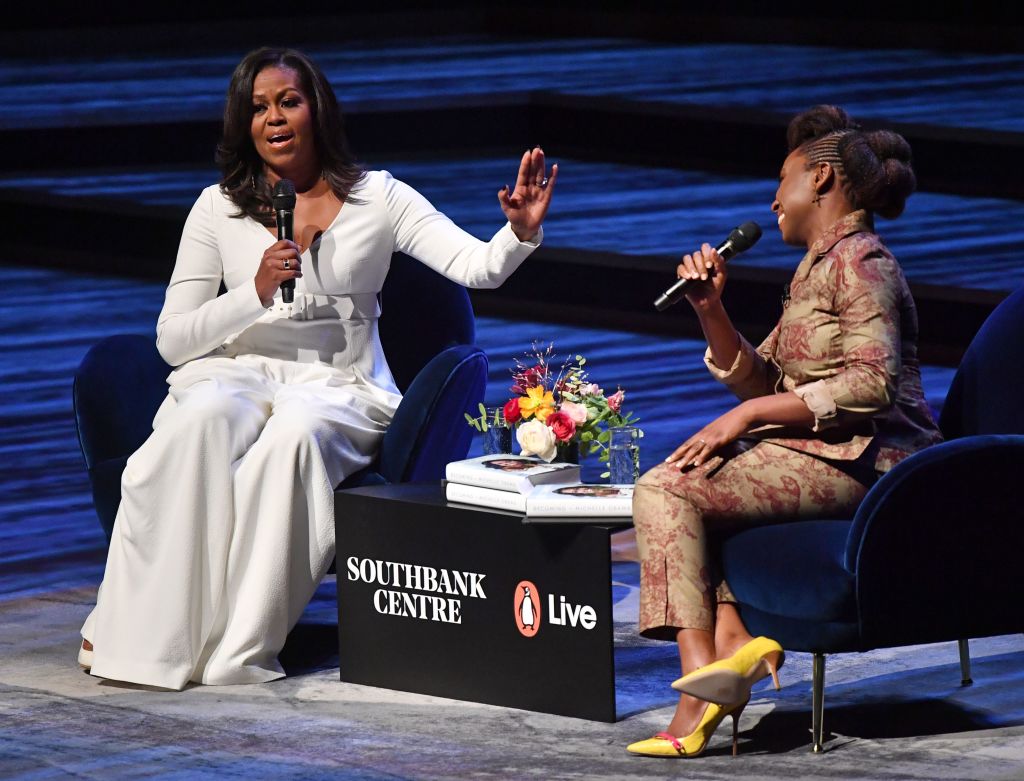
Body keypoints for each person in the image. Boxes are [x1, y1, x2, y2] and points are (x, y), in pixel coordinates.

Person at [78, 47, 557, 690]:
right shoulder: (216, 207)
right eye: (258, 107)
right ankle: (146, 641)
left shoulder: (378, 197)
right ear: (243, 124)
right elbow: (171, 340)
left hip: (340, 385)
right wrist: (251, 292)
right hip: (240, 372)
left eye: (288, 101)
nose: (273, 118)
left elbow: (479, 268)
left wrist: (517, 233)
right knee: (202, 421)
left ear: (316, 109)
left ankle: (236, 649)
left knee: (297, 434)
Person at [626, 105, 942, 758]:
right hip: (818, 453)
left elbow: (869, 386)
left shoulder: (865, 264)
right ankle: (734, 640)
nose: (773, 199)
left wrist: (745, 419)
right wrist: (711, 308)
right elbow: (765, 383)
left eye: (784, 179)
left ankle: (698, 685)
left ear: (822, 179)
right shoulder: (813, 271)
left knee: (667, 489)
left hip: (871, 464)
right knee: (692, 478)